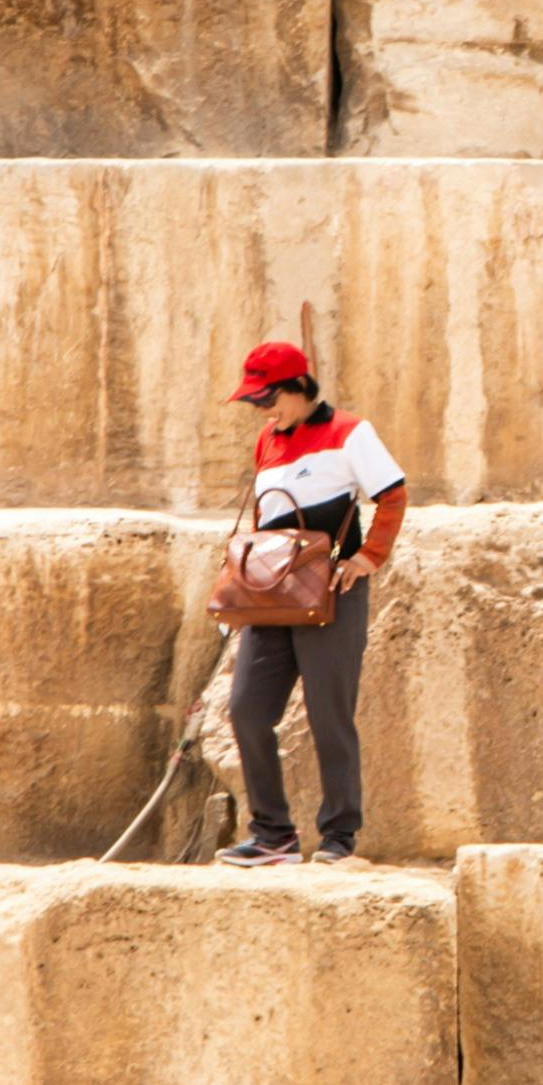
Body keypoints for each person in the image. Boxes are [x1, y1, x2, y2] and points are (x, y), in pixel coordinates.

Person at [215, 340, 407, 868]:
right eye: (254, 401)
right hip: (270, 595)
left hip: (332, 593)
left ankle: (339, 837)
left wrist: (368, 559)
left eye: (266, 397)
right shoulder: (267, 442)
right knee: (248, 710)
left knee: (330, 716)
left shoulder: (349, 432)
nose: (260, 409)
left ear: (299, 386)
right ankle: (272, 835)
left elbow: (392, 494)